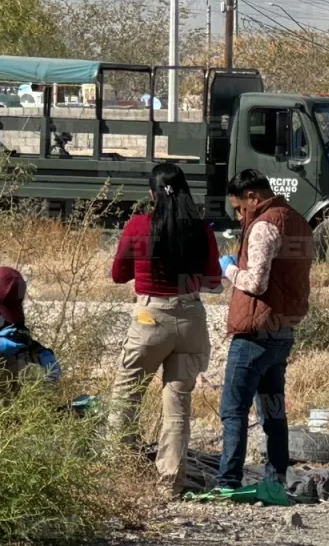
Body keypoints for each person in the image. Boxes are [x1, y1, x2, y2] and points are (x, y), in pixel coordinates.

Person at [108, 163, 223, 497]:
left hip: (150, 317)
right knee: (178, 404)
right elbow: (213, 280)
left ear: (152, 194)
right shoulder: (201, 229)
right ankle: (170, 484)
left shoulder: (139, 225)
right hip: (190, 319)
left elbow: (118, 274)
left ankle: (119, 475)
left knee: (126, 395)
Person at [215, 169, 314, 492]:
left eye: (240, 208)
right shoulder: (298, 220)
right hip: (282, 332)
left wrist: (229, 268)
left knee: (234, 410)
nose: (240, 216)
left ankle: (228, 480)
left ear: (253, 197)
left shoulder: (264, 225)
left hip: (255, 333)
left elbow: (256, 282)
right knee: (273, 410)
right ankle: (276, 479)